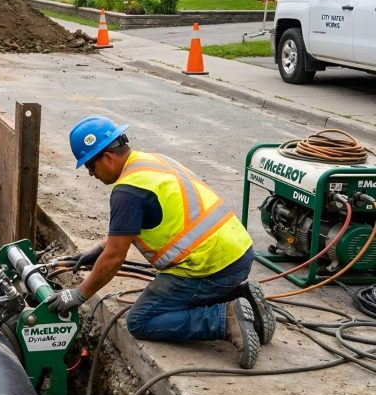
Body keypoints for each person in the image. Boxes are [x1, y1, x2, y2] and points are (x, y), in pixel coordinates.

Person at [45, 115, 275, 369]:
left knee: (142, 320)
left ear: (107, 157)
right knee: (177, 299)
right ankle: (242, 298)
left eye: (90, 166)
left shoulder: (127, 191)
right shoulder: (151, 161)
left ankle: (225, 319)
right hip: (239, 255)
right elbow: (129, 231)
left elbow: (114, 258)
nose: (91, 174)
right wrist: (95, 251)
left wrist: (79, 294)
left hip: (208, 268)